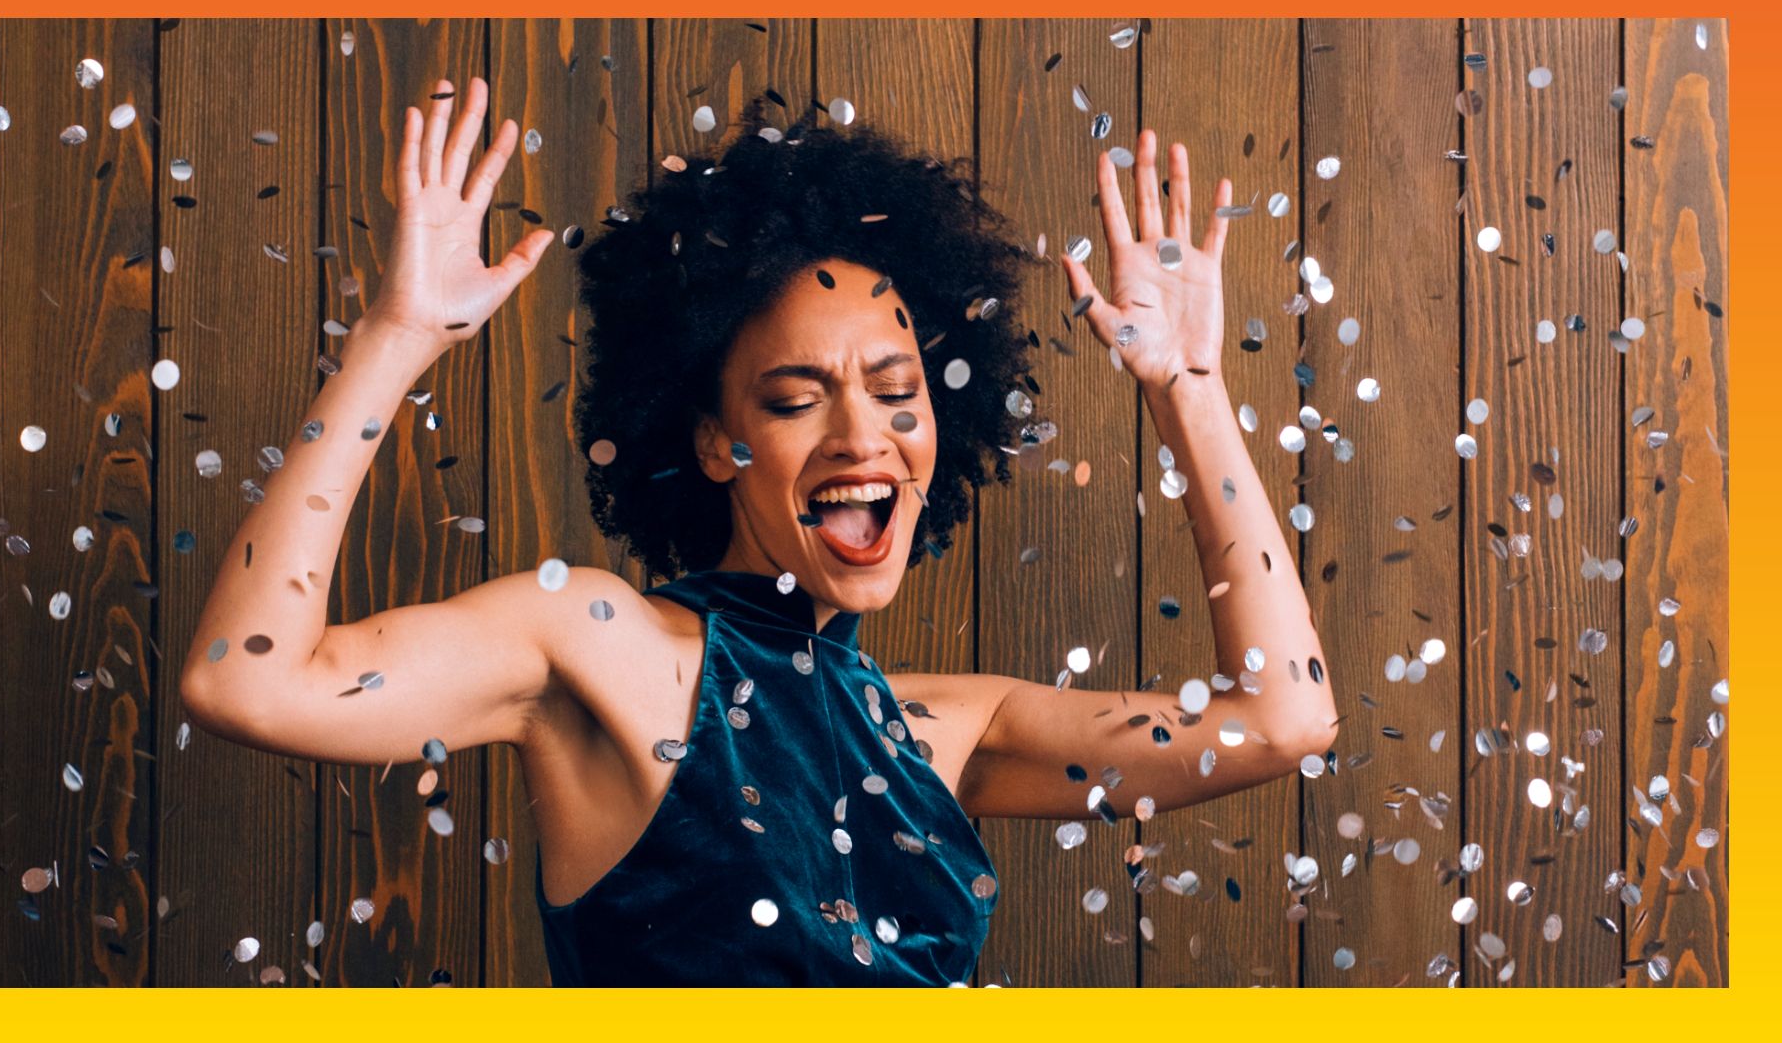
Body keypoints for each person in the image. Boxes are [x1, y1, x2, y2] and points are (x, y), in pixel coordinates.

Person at [181, 73, 1337, 987]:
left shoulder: (940, 730)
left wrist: (1186, 387)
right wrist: (398, 337)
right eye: (795, 401)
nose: (862, 439)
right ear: (712, 441)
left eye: (897, 393)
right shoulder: (597, 647)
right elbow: (248, 682)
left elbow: (1283, 721)